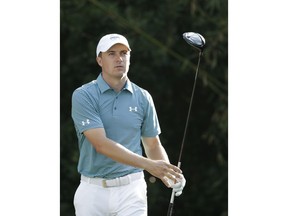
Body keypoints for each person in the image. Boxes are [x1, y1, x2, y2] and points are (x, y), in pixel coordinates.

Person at [71, 33, 186, 216]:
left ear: (129, 58)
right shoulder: (84, 95)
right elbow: (101, 144)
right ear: (99, 60)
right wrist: (149, 165)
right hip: (92, 191)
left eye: (124, 53)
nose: (119, 58)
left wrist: (168, 173)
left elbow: (153, 144)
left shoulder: (143, 97)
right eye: (112, 53)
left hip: (132, 190)